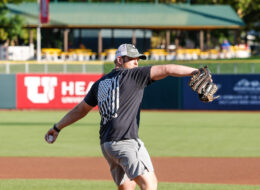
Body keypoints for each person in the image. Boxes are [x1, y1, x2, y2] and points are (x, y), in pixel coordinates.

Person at [45, 44, 198, 190]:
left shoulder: (100, 83)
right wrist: (195, 72)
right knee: (149, 184)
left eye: (138, 59)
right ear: (119, 60)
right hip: (125, 141)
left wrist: (57, 127)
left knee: (127, 187)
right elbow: (167, 68)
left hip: (108, 145)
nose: (136, 62)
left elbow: (81, 110)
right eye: (132, 59)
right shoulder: (133, 75)